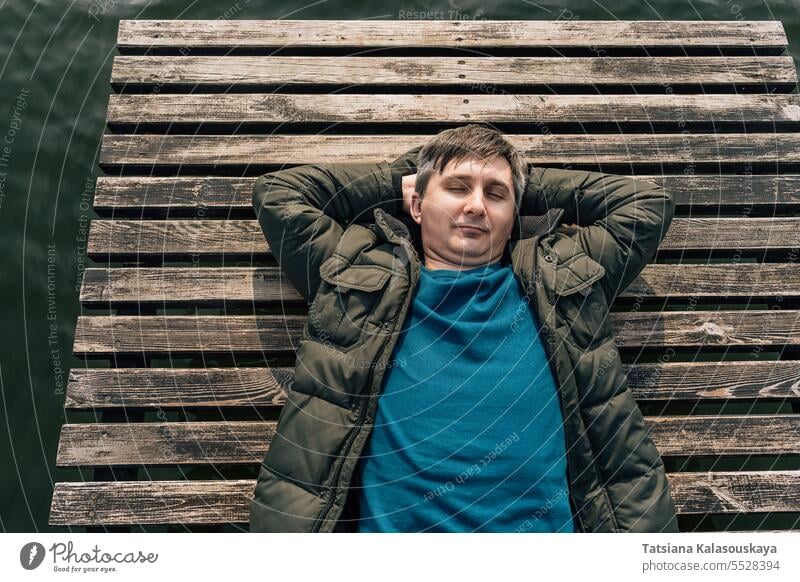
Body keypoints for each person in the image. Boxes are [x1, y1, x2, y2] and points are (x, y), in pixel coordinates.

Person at [249, 123, 680, 533]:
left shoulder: (563, 277)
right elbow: (279, 194)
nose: (475, 206)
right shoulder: (355, 276)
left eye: (495, 195)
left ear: (515, 215)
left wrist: (522, 185)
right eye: (456, 189)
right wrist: (403, 178)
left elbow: (647, 205)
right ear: (416, 205)